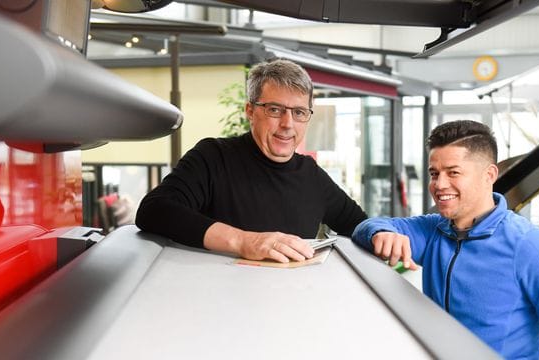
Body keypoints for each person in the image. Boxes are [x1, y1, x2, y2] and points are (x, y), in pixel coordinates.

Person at [351, 120, 539, 359]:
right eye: (433, 173)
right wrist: (380, 233)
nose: (439, 184)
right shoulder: (433, 229)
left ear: (489, 175)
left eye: (453, 172)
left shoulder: (528, 245)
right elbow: (366, 226)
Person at [136, 58, 367, 264]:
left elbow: (358, 225)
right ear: (250, 111)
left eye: (298, 112)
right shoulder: (213, 157)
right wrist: (244, 241)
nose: (288, 124)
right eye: (275, 110)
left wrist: (382, 233)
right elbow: (154, 210)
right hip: (217, 301)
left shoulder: (312, 175)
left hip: (293, 301)